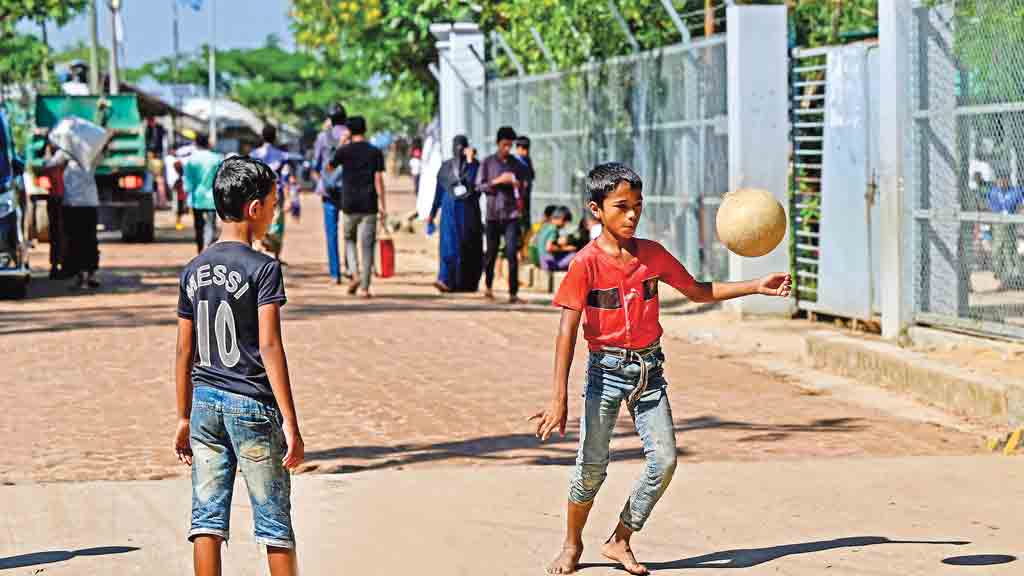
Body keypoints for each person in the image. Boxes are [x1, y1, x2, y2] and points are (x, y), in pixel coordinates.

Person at [530, 163, 791, 575]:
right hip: (605, 372)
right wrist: (558, 399)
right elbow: (566, 332)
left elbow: (697, 290)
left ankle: (620, 539)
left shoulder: (652, 255)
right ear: (596, 210)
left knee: (665, 460)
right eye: (621, 207)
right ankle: (571, 544)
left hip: (650, 373)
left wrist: (755, 286)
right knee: (591, 467)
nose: (632, 215)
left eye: (637, 205)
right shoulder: (585, 264)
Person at [174, 156, 304, 576]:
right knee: (274, 521)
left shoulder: (193, 271)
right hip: (252, 403)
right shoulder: (264, 268)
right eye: (272, 204)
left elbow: (183, 350)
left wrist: (182, 415)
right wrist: (290, 420)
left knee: (206, 520)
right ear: (254, 209)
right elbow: (269, 344)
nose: (273, 213)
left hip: (205, 406)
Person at [331, 115, 387, 297]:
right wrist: (383, 205)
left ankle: (354, 273)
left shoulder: (344, 151)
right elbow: (379, 179)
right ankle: (364, 287)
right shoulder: (375, 152)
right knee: (368, 246)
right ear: (365, 129)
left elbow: (329, 168)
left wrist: (342, 144)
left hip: (348, 204)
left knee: (349, 240)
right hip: (369, 204)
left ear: (349, 131)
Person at [45, 136, 101, 290]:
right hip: (87, 203)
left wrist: (50, 151)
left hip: (74, 205)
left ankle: (83, 274)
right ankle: (87, 274)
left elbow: (49, 164)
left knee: (77, 239)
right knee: (88, 239)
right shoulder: (90, 155)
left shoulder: (66, 154)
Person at [477, 126, 524, 303]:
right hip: (493, 215)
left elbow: (523, 185)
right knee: (491, 252)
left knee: (512, 253)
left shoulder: (516, 164)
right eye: (504, 145)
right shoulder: (488, 163)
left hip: (511, 214)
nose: (507, 149)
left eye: (509, 146)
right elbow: (479, 186)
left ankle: (513, 292)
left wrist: (516, 184)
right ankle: (488, 286)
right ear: (498, 143)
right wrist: (497, 181)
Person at [429, 135, 482, 293]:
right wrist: (432, 213)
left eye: (462, 146)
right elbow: (439, 192)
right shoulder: (445, 167)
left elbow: (475, 183)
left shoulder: (475, 166)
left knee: (469, 245)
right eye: (457, 146)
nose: (459, 149)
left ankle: (467, 283)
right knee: (448, 246)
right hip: (449, 211)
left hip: (468, 211)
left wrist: (471, 162)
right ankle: (445, 280)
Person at [312, 105, 351, 283]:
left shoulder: (322, 137)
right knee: (350, 231)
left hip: (328, 190)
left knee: (331, 232)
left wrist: (324, 178)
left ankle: (335, 274)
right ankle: (351, 268)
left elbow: (316, 164)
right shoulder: (349, 136)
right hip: (349, 189)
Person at [251, 125, 289, 261]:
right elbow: (285, 178)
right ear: (275, 137)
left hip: (258, 194)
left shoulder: (254, 155)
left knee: (258, 219)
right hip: (276, 194)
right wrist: (289, 198)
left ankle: (259, 246)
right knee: (277, 224)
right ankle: (276, 255)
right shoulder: (282, 156)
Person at [183, 133, 223, 254]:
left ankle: (200, 250)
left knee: (198, 226)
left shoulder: (191, 160)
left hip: (196, 198)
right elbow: (221, 178)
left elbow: (188, 182)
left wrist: (187, 192)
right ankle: (208, 248)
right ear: (208, 143)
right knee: (211, 224)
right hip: (212, 198)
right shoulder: (217, 158)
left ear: (196, 143)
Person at [988, 174, 1023, 289]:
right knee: (996, 250)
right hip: (998, 224)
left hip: (1010, 224)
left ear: (1008, 180)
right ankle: (1001, 274)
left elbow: (1021, 205)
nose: (1001, 182)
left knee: (1009, 251)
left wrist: (1019, 213)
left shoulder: (1015, 191)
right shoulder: (993, 192)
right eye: (999, 180)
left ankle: (1011, 280)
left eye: (1004, 180)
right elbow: (991, 208)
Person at [537, 206, 577, 271]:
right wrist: (566, 249)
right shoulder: (553, 229)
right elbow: (549, 248)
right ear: (561, 218)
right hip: (549, 263)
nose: (564, 225)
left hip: (542, 261)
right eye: (565, 222)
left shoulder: (545, 226)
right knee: (574, 255)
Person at [514, 135, 535, 236]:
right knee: (519, 222)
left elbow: (532, 175)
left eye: (527, 149)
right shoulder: (514, 162)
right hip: (518, 198)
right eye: (523, 149)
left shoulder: (527, 160)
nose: (525, 151)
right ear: (517, 148)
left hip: (526, 196)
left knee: (526, 220)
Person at [145, 116, 168, 208]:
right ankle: (160, 202)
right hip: (156, 156)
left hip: (156, 155)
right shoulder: (155, 128)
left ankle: (161, 202)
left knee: (158, 181)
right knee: (158, 182)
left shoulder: (156, 128)